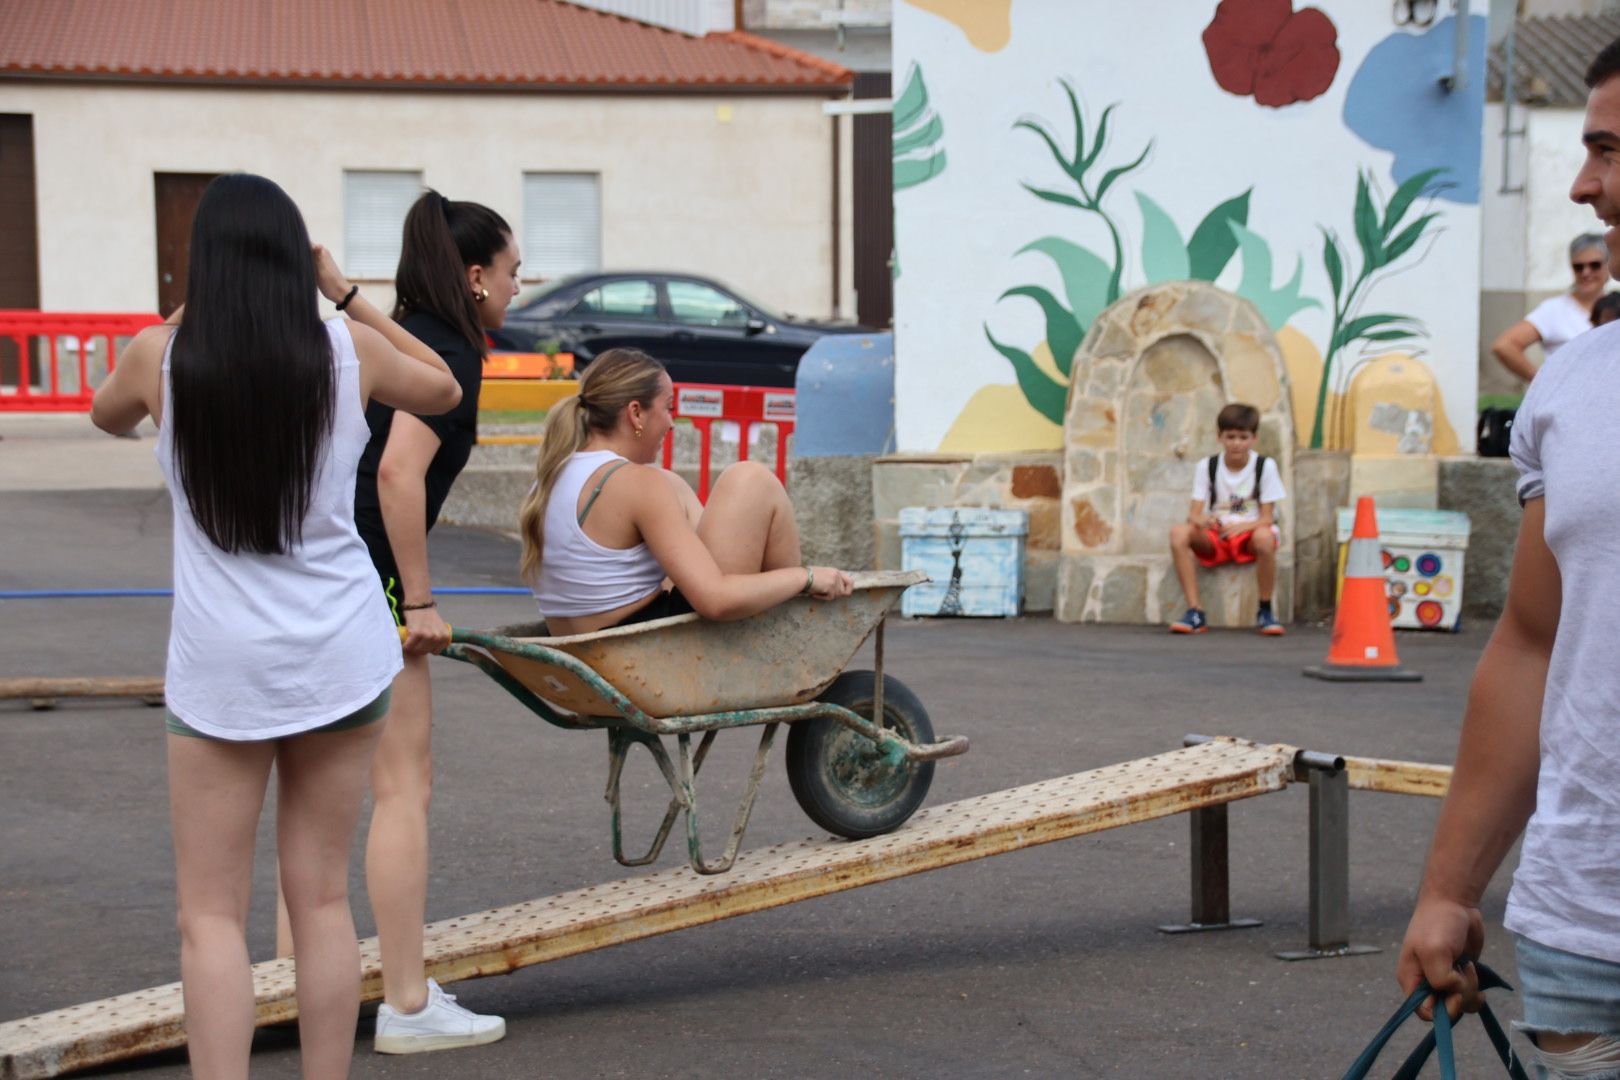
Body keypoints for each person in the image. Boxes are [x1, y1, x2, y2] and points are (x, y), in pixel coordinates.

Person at [88, 173, 461, 1080]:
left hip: (223, 666)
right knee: (323, 899)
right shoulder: (347, 350)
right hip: (340, 650)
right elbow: (445, 388)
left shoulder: (157, 356)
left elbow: (103, 417)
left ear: (202, 262)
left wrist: (180, 320)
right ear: (297, 258)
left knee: (210, 915)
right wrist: (344, 294)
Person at [1398, 37, 1620, 1079]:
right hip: (1585, 923)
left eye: (1611, 152)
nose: (1584, 186)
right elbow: (1530, 645)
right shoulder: (1571, 391)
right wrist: (1450, 888)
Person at [273, 190, 518, 1054]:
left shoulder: (383, 333)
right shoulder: (448, 347)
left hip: (317, 568)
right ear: (477, 276)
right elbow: (398, 476)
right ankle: (409, 1003)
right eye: (515, 272)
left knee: (318, 786)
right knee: (401, 786)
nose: (519, 289)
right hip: (370, 573)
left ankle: (294, 982)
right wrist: (418, 599)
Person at [517, 347, 853, 638]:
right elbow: (715, 600)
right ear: (636, 413)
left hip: (587, 651)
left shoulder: (552, 476)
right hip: (644, 652)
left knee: (673, 486)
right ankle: (787, 636)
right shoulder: (635, 483)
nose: (672, 423)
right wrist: (804, 578)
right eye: (668, 407)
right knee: (750, 479)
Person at [1166, 402, 1287, 636]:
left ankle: (1265, 610)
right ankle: (1194, 611)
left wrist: (1243, 527)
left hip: (1249, 534)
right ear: (1219, 437)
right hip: (1218, 534)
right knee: (1179, 533)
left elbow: (1267, 518)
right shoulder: (1207, 466)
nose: (1236, 444)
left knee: (1264, 537)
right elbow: (1194, 514)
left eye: (1243, 437)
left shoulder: (1264, 466)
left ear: (1254, 438)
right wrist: (1204, 521)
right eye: (1230, 437)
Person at [1491, 232, 1610, 381]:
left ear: (1609, 265)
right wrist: (1542, 382)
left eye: (1595, 265)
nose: (1586, 272)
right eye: (1578, 267)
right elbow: (1504, 346)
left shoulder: (1615, 304)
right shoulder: (1555, 309)